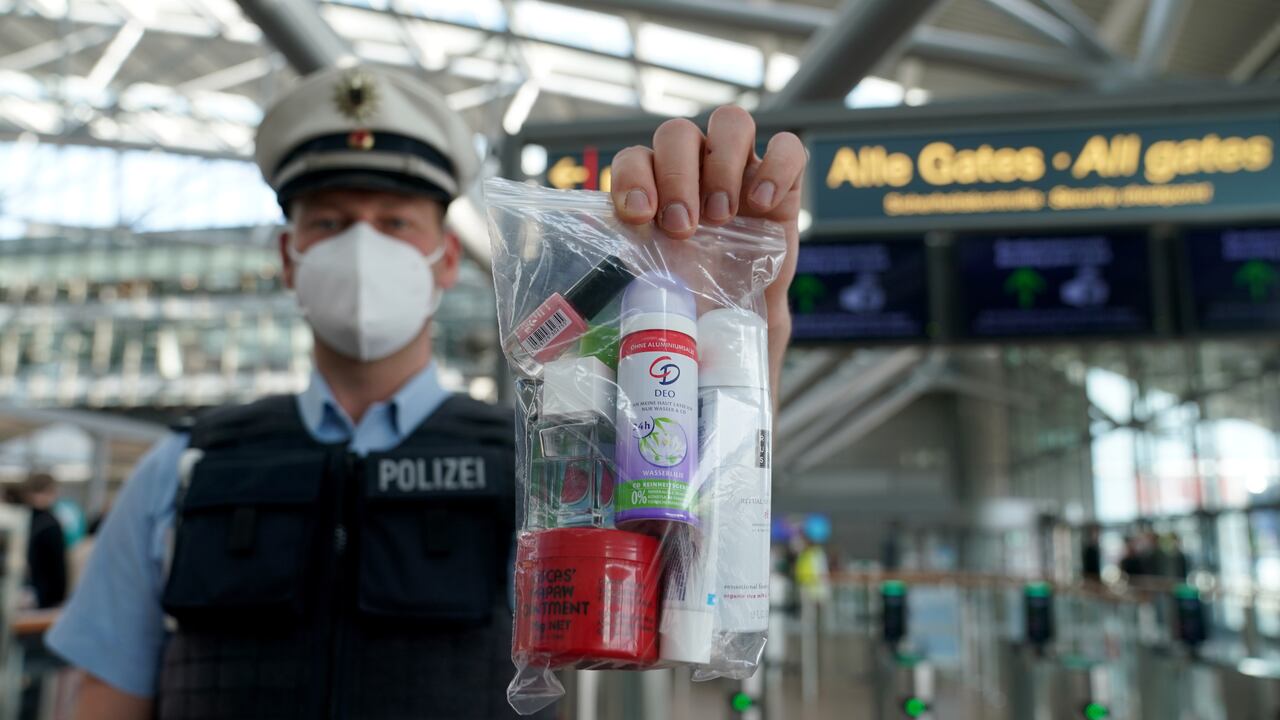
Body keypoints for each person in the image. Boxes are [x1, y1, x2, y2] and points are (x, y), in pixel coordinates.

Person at [46, 65, 803, 720]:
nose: (362, 247)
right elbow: (104, 696)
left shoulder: (550, 461)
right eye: (331, 222)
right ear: (288, 257)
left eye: (394, 222)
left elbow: (695, 528)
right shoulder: (181, 473)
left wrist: (724, 323)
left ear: (446, 260)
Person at [17, 472, 68, 609]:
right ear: (49, 491)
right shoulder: (51, 524)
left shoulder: (18, 518)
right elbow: (57, 568)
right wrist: (59, 599)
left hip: (16, 591)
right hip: (41, 597)